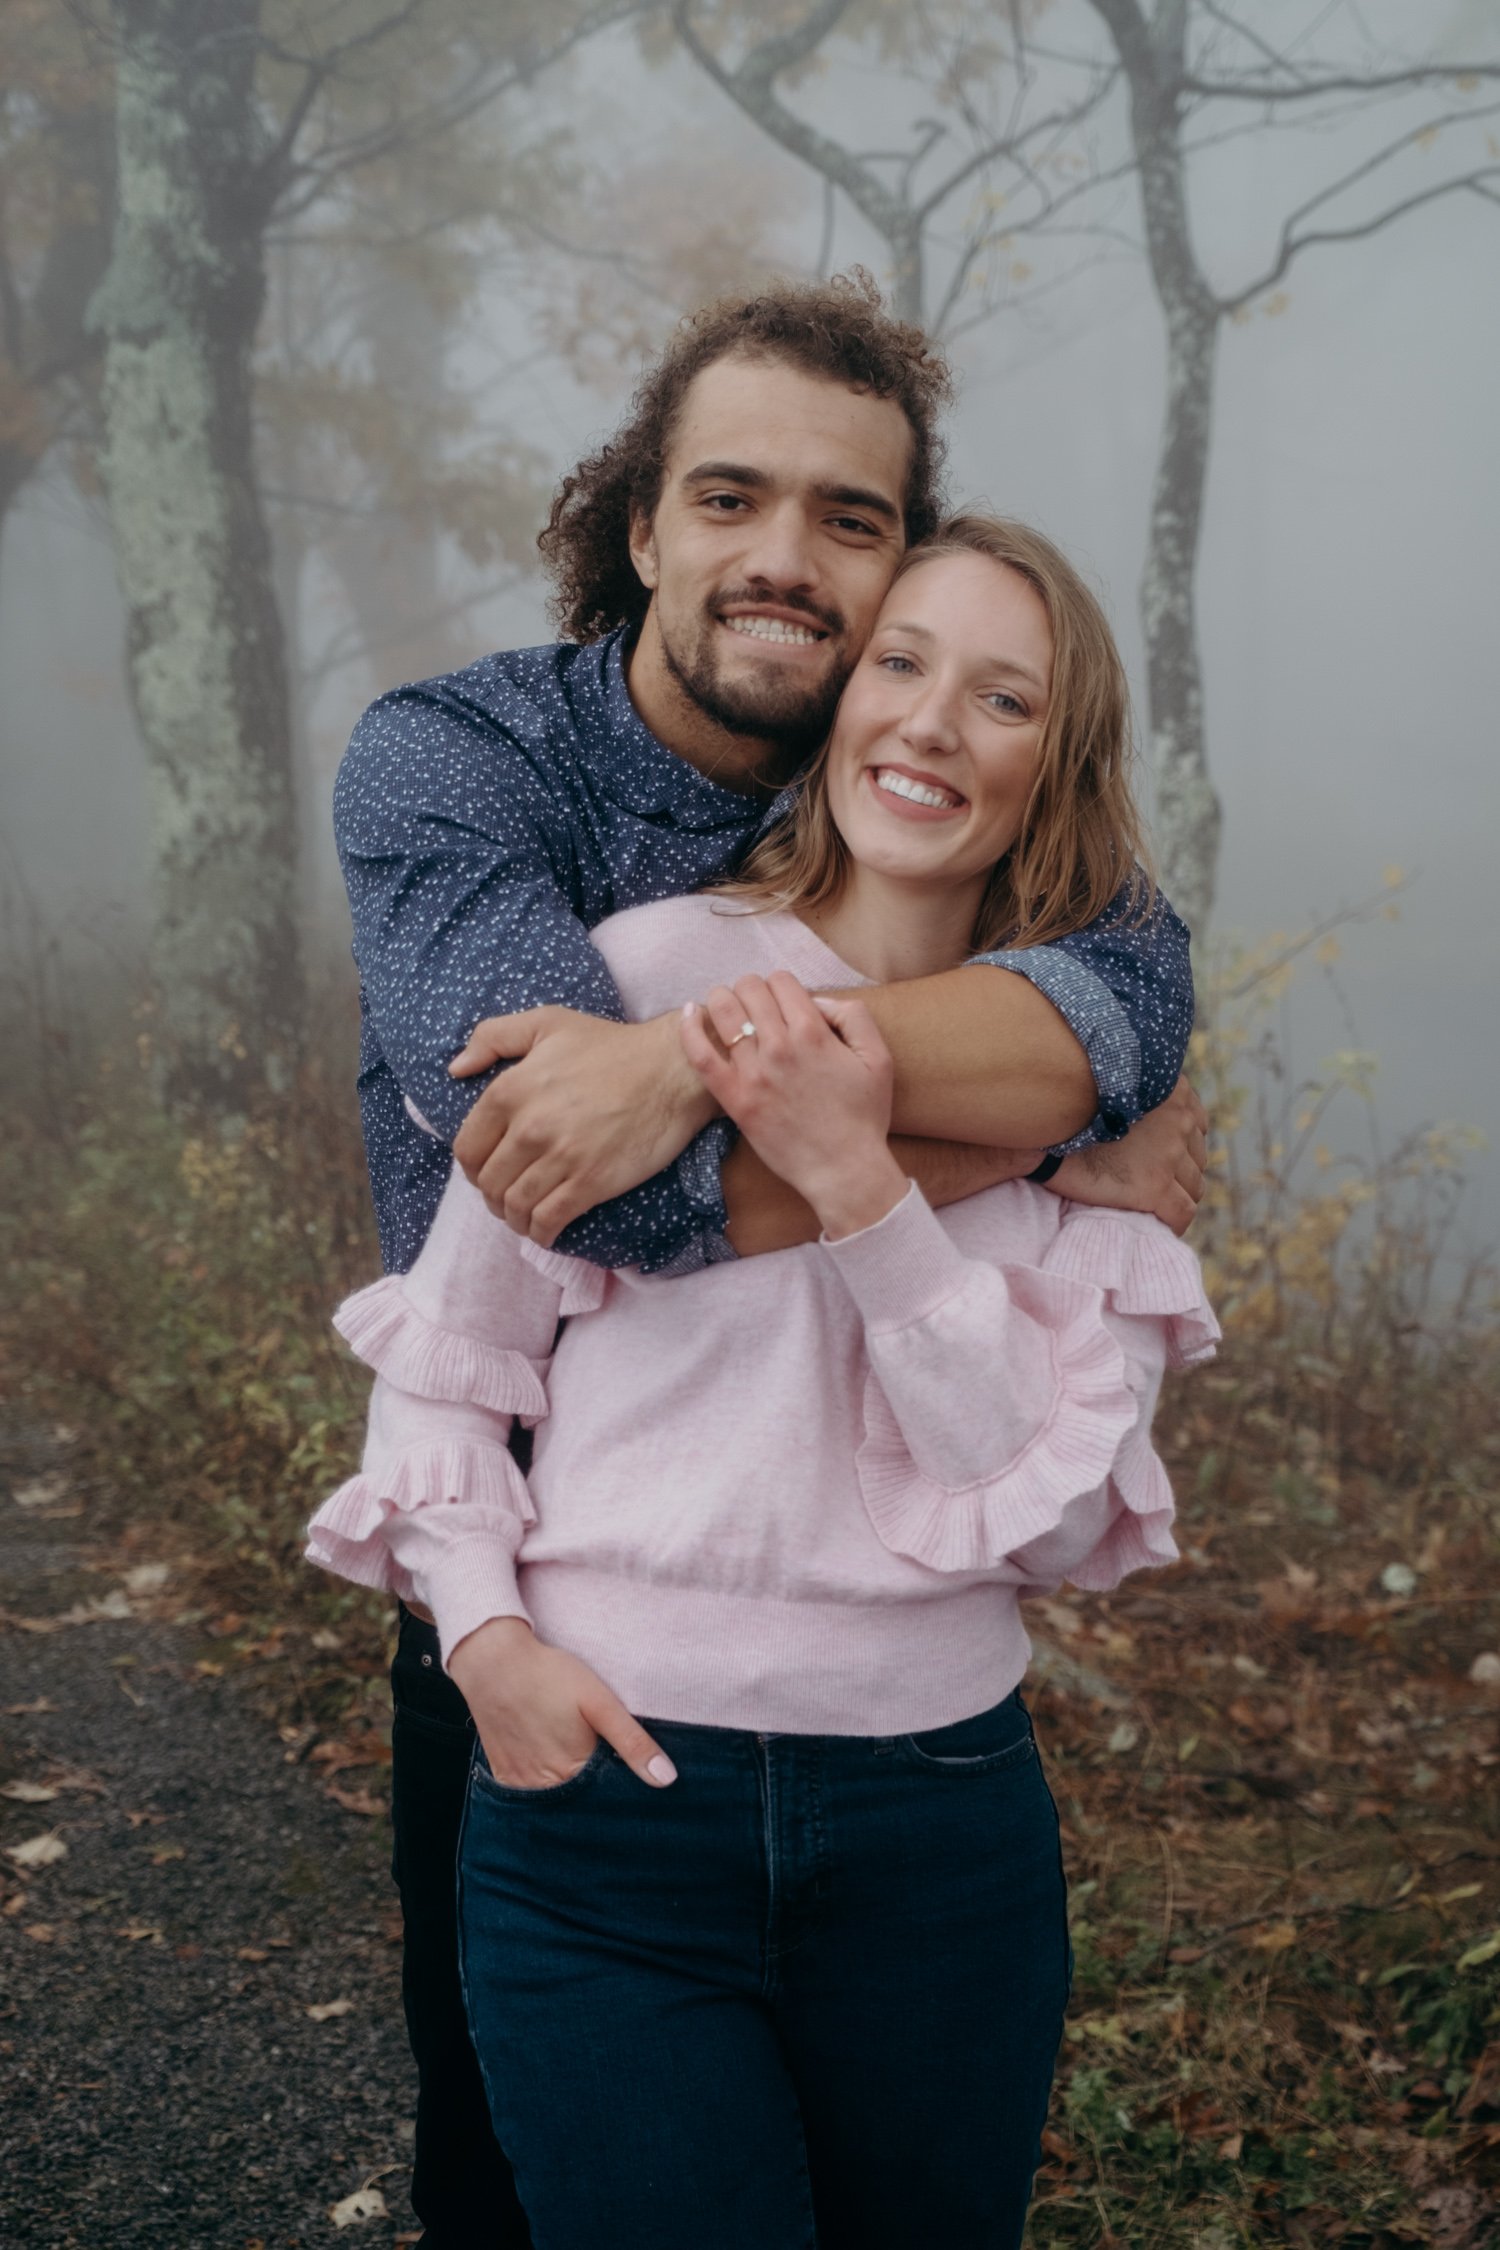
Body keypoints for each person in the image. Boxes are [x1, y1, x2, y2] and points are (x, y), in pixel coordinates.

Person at [332, 277, 1206, 2244]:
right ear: (638, 527)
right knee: (506, 2178)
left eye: (852, 520)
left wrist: (827, 1101)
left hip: (923, 1784)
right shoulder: (461, 768)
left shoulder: (1058, 922)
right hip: (554, 1638)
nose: (785, 561)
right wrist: (1028, 1123)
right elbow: (555, 1177)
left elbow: (1135, 1009)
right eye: (729, 497)